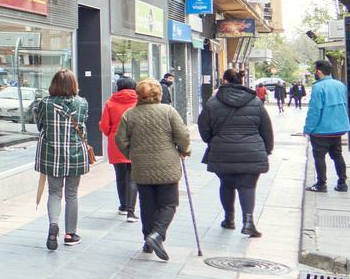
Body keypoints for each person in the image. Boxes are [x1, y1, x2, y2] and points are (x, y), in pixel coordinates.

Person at [116, 79, 191, 261]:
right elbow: (182, 135)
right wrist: (184, 150)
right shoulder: (168, 111)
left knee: (147, 204)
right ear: (159, 95)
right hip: (167, 166)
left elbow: (120, 140)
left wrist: (132, 154)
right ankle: (157, 234)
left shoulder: (130, 115)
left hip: (141, 167)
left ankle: (147, 241)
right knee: (168, 204)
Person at [199, 69, 274, 238]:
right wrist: (267, 149)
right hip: (252, 151)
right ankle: (248, 222)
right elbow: (266, 129)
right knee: (248, 186)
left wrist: (213, 141)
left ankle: (229, 219)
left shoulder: (212, 102)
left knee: (226, 184)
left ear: (224, 81)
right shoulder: (255, 101)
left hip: (222, 151)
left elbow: (204, 128)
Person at [32, 69, 90, 251]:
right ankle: (70, 234)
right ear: (74, 84)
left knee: (54, 192)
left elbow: (40, 125)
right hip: (75, 154)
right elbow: (83, 125)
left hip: (51, 154)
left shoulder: (44, 103)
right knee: (72, 194)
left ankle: (53, 226)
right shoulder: (82, 103)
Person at [304, 60, 350, 192]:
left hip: (321, 130)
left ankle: (321, 184)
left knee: (319, 157)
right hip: (337, 129)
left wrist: (308, 129)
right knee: (338, 156)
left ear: (318, 71)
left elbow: (314, 110)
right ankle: (342, 183)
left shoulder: (318, 87)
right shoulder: (340, 85)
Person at [100, 77, 140, 223]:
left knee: (120, 175)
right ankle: (131, 211)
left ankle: (123, 205)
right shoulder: (139, 102)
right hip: (135, 142)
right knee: (133, 176)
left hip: (115, 142)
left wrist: (111, 133)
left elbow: (104, 125)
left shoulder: (110, 103)